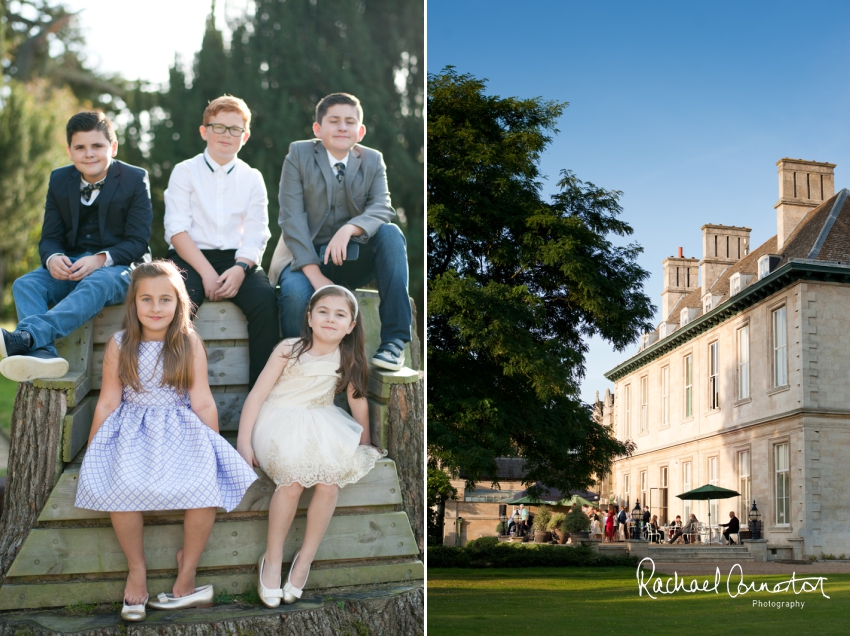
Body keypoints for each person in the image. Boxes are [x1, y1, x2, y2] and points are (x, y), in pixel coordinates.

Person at [74, 261, 257, 622]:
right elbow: (109, 400)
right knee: (121, 486)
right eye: (146, 300)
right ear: (134, 303)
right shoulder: (121, 343)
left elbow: (202, 400)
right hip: (132, 429)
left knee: (205, 488)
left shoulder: (187, 343)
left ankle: (187, 573)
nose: (155, 309)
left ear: (179, 303)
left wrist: (214, 448)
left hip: (180, 428)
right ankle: (137, 568)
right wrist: (95, 448)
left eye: (164, 300)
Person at [236, 285, 385, 607]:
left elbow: (357, 402)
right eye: (323, 311)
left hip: (320, 420)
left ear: (351, 325)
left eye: (340, 314)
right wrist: (243, 441)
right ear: (310, 317)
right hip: (276, 420)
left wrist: (366, 441)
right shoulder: (289, 349)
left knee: (329, 483)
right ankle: (272, 560)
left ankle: (305, 559)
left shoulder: (349, 358)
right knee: (291, 482)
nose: (330, 319)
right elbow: (257, 395)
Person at [0, 111, 152, 382]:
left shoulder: (134, 178)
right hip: (71, 264)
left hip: (118, 268)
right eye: (80, 147)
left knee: (97, 283)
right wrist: (53, 258)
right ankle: (44, 356)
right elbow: (49, 237)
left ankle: (27, 337)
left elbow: (138, 242)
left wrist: (99, 259)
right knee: (25, 284)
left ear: (113, 147)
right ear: (70, 151)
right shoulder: (59, 180)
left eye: (97, 146)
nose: (89, 154)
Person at [268, 92, 411, 371]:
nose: (342, 127)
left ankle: (394, 343)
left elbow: (383, 207)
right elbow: (291, 219)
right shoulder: (298, 154)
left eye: (349, 121)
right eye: (334, 121)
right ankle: (297, 364)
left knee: (391, 233)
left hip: (351, 258)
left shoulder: (373, 160)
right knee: (296, 295)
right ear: (318, 129)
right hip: (303, 259)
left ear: (361, 130)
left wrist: (349, 228)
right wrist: (316, 276)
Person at [164, 95, 278, 388]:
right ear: (204, 131)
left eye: (234, 129)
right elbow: (177, 231)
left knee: (266, 301)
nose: (226, 135)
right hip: (190, 256)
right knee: (177, 305)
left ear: (245, 136)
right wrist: (207, 274)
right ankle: (176, 390)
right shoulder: (185, 171)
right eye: (219, 127)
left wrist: (241, 268)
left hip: (237, 259)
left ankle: (260, 398)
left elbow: (257, 232)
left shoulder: (252, 178)